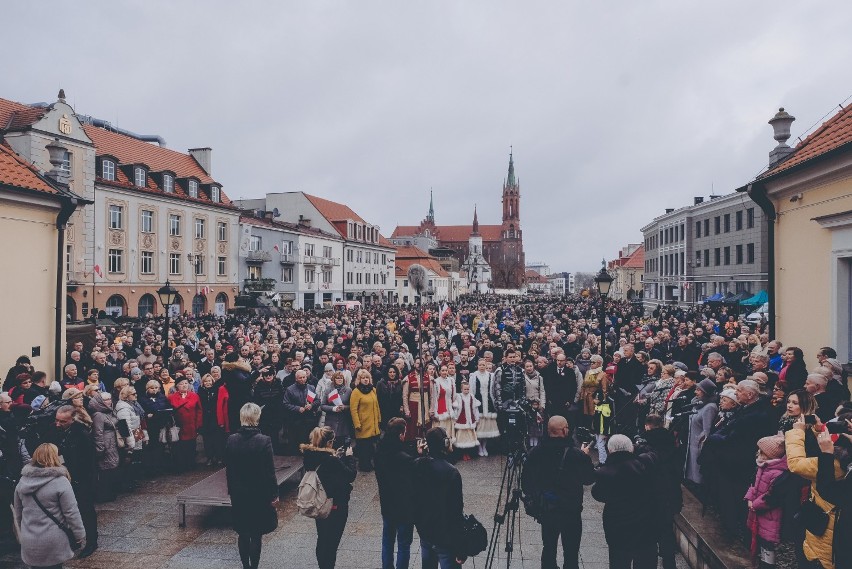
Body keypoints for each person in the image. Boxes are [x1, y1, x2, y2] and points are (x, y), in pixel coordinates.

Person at [521, 415, 595, 569]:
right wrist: (585, 457)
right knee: (571, 552)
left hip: (547, 509)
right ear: (564, 430)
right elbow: (589, 479)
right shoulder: (576, 454)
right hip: (571, 510)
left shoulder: (536, 452)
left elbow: (526, 483)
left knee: (548, 547)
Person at [785, 417, 845, 569]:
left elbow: (796, 464)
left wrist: (797, 432)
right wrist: (817, 431)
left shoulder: (838, 462)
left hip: (826, 535)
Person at [13, 443, 86, 568]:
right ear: (54, 457)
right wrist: (80, 534)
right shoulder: (60, 481)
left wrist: (22, 533)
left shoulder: (22, 481)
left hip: (30, 540)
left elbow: (18, 513)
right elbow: (71, 512)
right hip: (54, 539)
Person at [591, 434, 658, 569]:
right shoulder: (646, 464)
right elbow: (653, 453)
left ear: (610, 451)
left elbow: (598, 494)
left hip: (618, 530)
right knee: (645, 562)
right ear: (631, 449)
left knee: (619, 563)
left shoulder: (604, 473)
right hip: (646, 528)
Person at [225, 403, 279, 569]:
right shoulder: (264, 440)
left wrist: (231, 489)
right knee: (256, 533)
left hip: (239, 492)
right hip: (259, 492)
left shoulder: (231, 439)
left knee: (243, 532)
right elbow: (270, 471)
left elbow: (229, 469)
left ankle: (245, 566)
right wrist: (274, 494)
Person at [301, 426, 356, 569]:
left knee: (322, 539)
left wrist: (335, 457)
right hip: (334, 507)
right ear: (329, 443)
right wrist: (349, 457)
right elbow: (350, 475)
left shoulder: (310, 456)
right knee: (331, 545)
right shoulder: (331, 461)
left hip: (319, 504)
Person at [48, 405, 98, 558]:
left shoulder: (82, 434)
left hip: (81, 479)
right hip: (65, 477)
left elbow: (87, 461)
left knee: (85, 510)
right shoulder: (59, 431)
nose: (58, 424)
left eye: (62, 422)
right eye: (56, 420)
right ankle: (74, 539)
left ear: (72, 420)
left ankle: (91, 541)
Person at [412, 427, 467, 569]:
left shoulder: (418, 464)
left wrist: (422, 455)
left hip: (425, 531)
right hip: (445, 537)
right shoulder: (452, 473)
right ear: (445, 443)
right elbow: (456, 511)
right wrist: (461, 546)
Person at [635, 414, 683, 569]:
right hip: (669, 494)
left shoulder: (644, 444)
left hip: (649, 496)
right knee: (666, 531)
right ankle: (670, 564)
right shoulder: (672, 443)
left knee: (647, 536)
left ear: (647, 426)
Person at [375, 418, 417, 569]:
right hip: (404, 508)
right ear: (400, 434)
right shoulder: (404, 459)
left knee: (387, 540)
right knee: (404, 544)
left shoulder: (379, 452)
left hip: (387, 504)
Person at [744, 435, 788, 569]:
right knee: (759, 543)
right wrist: (749, 497)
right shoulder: (763, 466)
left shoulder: (777, 473)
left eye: (762, 451)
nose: (758, 453)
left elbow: (772, 497)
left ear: (770, 455)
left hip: (770, 517)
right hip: (758, 513)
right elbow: (754, 484)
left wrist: (755, 504)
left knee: (767, 546)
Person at [89, 392, 121, 502]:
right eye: (106, 400)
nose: (109, 401)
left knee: (112, 469)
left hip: (112, 443)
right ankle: (104, 494)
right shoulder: (98, 415)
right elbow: (98, 433)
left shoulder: (109, 412)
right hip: (106, 446)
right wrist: (100, 449)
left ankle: (111, 492)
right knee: (105, 470)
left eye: (110, 399)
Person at [169, 377, 203, 471]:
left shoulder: (194, 396)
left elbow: (199, 411)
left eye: (186, 383)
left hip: (191, 424)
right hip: (180, 426)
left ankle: (191, 464)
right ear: (176, 386)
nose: (184, 385)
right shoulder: (172, 397)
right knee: (180, 446)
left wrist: (198, 424)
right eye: (181, 384)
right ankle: (181, 465)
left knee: (191, 445)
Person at [350, 369, 381, 472]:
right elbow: (353, 409)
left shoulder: (373, 390)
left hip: (373, 423)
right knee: (364, 447)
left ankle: (370, 463)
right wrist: (357, 424)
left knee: (371, 446)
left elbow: (376, 406)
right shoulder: (356, 391)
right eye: (363, 378)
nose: (365, 380)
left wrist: (379, 418)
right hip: (362, 424)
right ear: (359, 379)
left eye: (367, 377)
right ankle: (364, 465)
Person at [320, 371, 354, 446]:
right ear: (334, 379)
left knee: (342, 446)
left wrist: (344, 407)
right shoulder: (328, 390)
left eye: (341, 378)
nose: (339, 380)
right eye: (337, 378)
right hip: (331, 422)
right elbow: (322, 406)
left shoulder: (348, 390)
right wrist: (333, 408)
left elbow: (352, 406)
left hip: (343, 422)